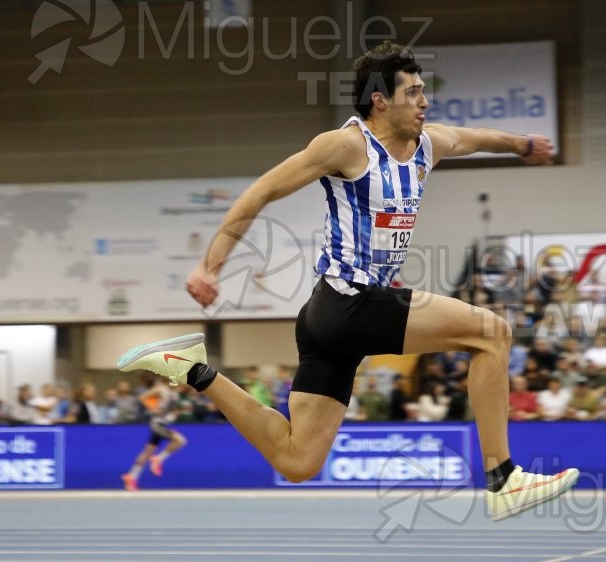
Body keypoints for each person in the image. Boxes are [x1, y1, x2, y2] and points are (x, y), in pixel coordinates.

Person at [116, 41, 578, 521]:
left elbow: (478, 137)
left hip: (328, 319)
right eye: (414, 92)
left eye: (424, 92)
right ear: (380, 100)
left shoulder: (429, 143)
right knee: (493, 333)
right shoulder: (345, 145)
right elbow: (261, 191)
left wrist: (522, 145)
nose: (425, 102)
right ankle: (502, 478)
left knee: (297, 461)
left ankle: (193, 369)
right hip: (350, 302)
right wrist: (209, 266)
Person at [122, 379, 188, 491]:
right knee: (180, 441)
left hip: (163, 423)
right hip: (157, 424)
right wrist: (153, 408)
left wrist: (176, 412)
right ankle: (158, 459)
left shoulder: (174, 393)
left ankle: (131, 476)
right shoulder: (161, 389)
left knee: (147, 452)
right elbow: (142, 397)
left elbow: (172, 409)